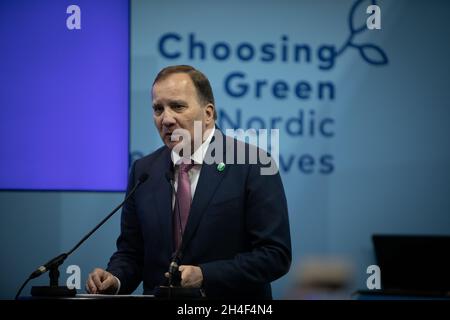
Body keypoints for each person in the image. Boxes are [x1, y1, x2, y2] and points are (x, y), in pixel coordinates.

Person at [86, 65, 291, 299]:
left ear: (208, 113)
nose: (166, 119)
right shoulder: (143, 171)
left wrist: (206, 275)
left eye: (178, 106)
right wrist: (115, 279)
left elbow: (275, 255)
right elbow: (132, 253)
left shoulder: (254, 164)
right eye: (157, 109)